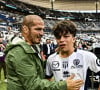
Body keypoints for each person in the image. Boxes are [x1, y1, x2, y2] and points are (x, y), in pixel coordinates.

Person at [4, 15, 83, 90]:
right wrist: (64, 85)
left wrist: (54, 56)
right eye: (38, 29)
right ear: (25, 29)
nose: (42, 33)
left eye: (42, 29)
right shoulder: (19, 52)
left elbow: (40, 69)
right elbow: (33, 85)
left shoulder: (32, 47)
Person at [45, 20, 100, 90]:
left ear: (73, 39)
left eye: (65, 36)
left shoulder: (87, 56)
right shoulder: (51, 59)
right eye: (58, 37)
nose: (61, 40)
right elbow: (47, 80)